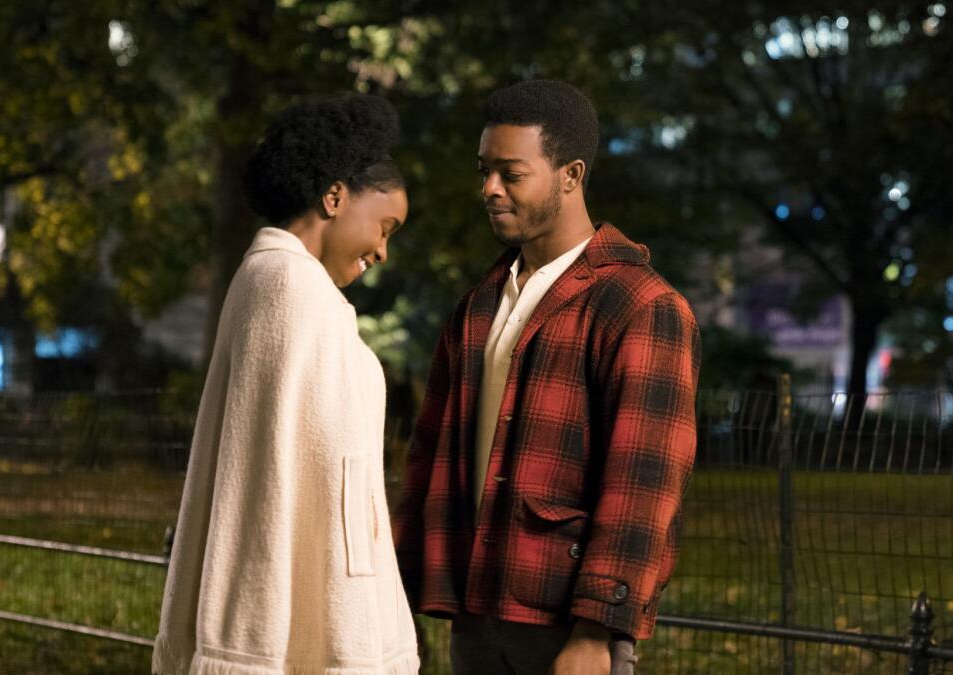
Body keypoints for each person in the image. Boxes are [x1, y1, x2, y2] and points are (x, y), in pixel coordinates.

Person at [391, 80, 701, 675]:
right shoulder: (478, 305)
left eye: (511, 173)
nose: (489, 189)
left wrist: (595, 631)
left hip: (567, 627)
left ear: (570, 174)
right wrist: (400, 598)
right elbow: (427, 460)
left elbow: (644, 484)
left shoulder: (640, 305)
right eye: (484, 170)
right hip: (472, 613)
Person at [154, 94, 419, 675]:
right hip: (294, 626)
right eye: (384, 226)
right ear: (334, 197)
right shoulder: (288, 288)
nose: (381, 249)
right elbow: (269, 486)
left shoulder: (288, 285)